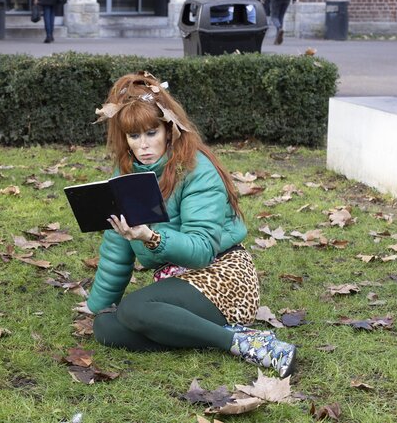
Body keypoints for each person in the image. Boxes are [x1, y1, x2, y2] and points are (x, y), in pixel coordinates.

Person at [77, 72, 297, 379]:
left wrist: (151, 237)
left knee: (133, 310)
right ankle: (200, 334)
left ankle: (243, 342)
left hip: (223, 275)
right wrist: (96, 305)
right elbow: (116, 250)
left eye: (151, 132)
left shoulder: (195, 167)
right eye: (134, 136)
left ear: (168, 128)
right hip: (174, 281)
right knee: (106, 326)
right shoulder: (126, 172)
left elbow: (202, 250)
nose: (143, 145)